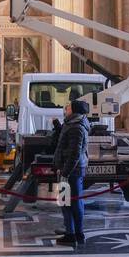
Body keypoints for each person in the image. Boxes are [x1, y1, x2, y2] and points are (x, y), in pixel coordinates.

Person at [53, 99, 91, 246]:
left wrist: (65, 172)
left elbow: (75, 153)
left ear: (74, 110)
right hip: (68, 169)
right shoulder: (71, 123)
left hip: (71, 171)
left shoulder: (77, 127)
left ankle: (76, 234)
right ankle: (71, 231)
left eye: (68, 107)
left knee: (73, 203)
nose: (65, 109)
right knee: (65, 202)